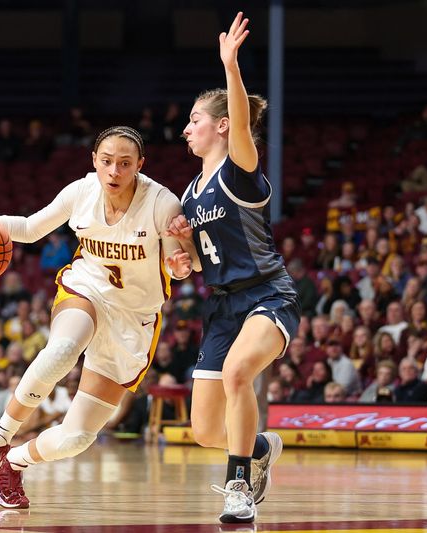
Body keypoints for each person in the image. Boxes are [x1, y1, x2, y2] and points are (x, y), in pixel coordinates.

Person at [0, 126, 194, 510]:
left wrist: (180, 263)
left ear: (140, 166)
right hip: (87, 290)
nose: (114, 171)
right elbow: (29, 228)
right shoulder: (81, 191)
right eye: (107, 161)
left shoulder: (162, 203)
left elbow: (181, 264)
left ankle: (13, 462)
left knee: (78, 437)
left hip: (135, 318)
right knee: (62, 348)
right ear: (94, 160)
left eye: (125, 164)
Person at [165, 13, 300, 523]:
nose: (186, 128)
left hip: (268, 294)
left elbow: (242, 121)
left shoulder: (238, 169)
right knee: (203, 429)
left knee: (239, 373)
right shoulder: (189, 194)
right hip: (222, 305)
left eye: (195, 119)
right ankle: (259, 447)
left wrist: (231, 68)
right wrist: (184, 261)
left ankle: (238, 484)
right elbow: (198, 262)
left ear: (220, 126)